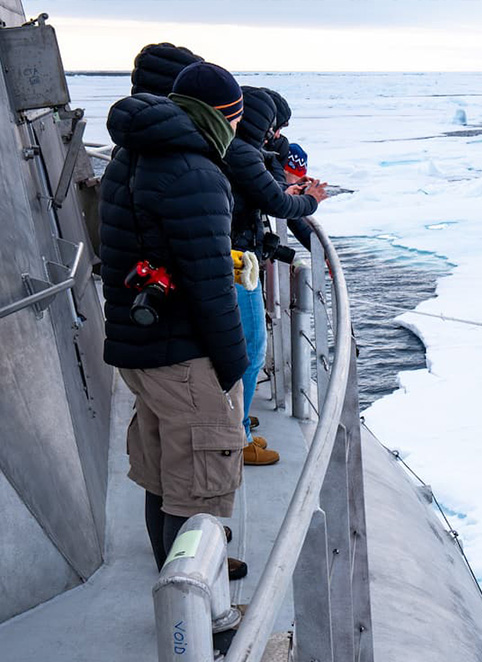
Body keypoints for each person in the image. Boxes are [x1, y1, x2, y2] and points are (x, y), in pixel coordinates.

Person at [100, 61, 251, 579]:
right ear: (224, 116)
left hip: (138, 344)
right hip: (182, 353)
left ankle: (175, 577)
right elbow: (211, 284)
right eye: (237, 117)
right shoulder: (196, 172)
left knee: (165, 474)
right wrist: (234, 364)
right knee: (197, 484)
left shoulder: (132, 153)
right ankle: (195, 611)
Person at [224, 86, 330, 464]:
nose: (277, 135)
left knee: (240, 349)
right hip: (239, 266)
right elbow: (278, 203)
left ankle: (235, 420)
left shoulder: (236, 153)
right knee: (251, 350)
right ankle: (236, 436)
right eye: (273, 127)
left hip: (237, 260)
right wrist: (310, 198)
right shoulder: (243, 155)